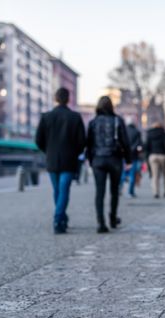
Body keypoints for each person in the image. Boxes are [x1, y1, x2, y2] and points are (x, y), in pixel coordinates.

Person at [35, 87, 86, 234]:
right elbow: (82, 141)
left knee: (57, 190)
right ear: (68, 99)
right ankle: (59, 219)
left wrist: (48, 151)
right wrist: (75, 152)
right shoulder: (75, 117)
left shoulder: (46, 117)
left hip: (52, 159)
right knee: (63, 190)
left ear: (56, 98)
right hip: (69, 160)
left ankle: (61, 217)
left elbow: (38, 140)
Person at [86, 96, 131, 233]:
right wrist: (128, 160)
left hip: (98, 160)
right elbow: (125, 142)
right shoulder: (118, 121)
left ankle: (101, 223)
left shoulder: (93, 122)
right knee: (114, 191)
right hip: (114, 159)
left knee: (99, 192)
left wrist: (90, 160)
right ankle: (112, 218)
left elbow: (89, 143)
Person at [145, 122, 165, 198]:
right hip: (163, 155)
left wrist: (147, 157)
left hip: (153, 156)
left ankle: (156, 193)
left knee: (155, 175)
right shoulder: (164, 134)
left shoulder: (149, 134)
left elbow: (146, 147)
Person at [122, 123, 143, 197]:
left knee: (123, 173)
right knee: (132, 174)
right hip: (134, 156)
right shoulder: (137, 132)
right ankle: (130, 192)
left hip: (124, 155)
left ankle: (119, 190)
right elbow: (140, 144)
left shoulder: (124, 131)